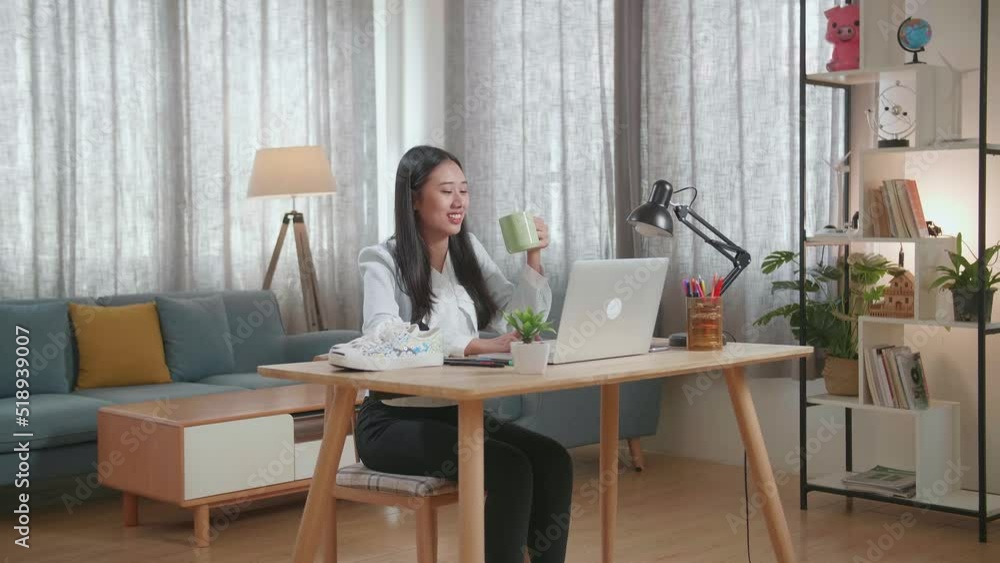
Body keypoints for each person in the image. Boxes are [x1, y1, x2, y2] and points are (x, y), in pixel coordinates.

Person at [352, 145, 573, 563]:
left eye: (464, 190)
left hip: (459, 415)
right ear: (414, 199)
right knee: (510, 467)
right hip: (393, 422)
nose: (459, 202)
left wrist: (533, 256)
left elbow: (516, 319)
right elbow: (382, 334)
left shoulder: (467, 249)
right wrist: (470, 345)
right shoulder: (382, 259)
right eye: (446, 191)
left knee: (553, 459)